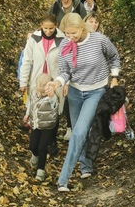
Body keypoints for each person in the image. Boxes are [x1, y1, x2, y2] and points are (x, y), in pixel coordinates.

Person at [45, 13, 121, 192]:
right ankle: (86, 166)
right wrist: (56, 83)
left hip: (96, 91)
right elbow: (65, 72)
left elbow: (114, 56)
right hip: (75, 92)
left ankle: (63, 179)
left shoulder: (99, 40)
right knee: (80, 132)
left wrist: (115, 77)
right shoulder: (65, 44)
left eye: (73, 33)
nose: (70, 37)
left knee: (78, 132)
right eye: (67, 33)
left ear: (82, 27)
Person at [19, 14, 64, 152]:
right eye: (45, 28)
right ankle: (36, 139)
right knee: (36, 106)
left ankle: (51, 140)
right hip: (37, 80)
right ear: (41, 26)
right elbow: (27, 60)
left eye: (51, 28)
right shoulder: (34, 39)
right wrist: (23, 81)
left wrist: (65, 82)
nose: (48, 31)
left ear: (56, 26)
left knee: (53, 108)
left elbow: (65, 63)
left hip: (54, 79)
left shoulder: (63, 39)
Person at [28, 73, 59, 181]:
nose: (40, 94)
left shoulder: (52, 97)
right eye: (39, 92)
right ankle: (35, 155)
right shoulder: (34, 92)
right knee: (33, 146)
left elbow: (54, 103)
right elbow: (31, 104)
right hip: (36, 124)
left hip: (48, 126)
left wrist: (51, 95)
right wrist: (27, 114)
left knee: (42, 148)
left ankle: (40, 170)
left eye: (43, 93)